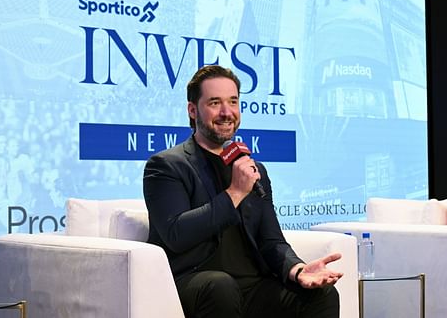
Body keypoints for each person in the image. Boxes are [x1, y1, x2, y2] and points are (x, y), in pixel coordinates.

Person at [143, 65, 343, 318]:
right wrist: (235, 192)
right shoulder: (167, 166)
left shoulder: (252, 168)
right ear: (193, 111)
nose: (227, 112)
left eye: (233, 102)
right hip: (195, 283)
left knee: (321, 295)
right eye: (215, 103)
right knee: (220, 285)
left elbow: (271, 240)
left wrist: (298, 269)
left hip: (251, 287)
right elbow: (176, 234)